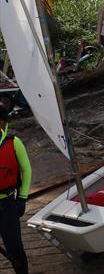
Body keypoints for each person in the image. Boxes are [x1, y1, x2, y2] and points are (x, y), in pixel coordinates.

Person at [0, 95, 30, 274]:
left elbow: (26, 170)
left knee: (14, 247)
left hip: (8, 204)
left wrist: (23, 198)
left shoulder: (14, 142)